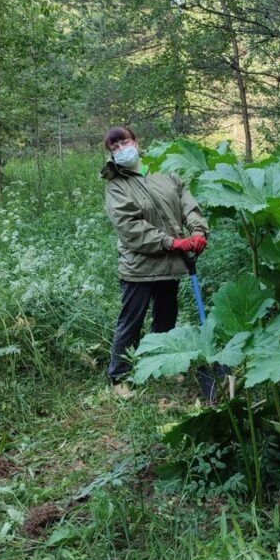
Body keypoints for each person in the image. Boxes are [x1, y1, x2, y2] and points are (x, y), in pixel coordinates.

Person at [101, 126, 209, 398]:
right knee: (131, 322)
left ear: (136, 142)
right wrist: (171, 242)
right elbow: (129, 227)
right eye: (113, 148)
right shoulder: (117, 185)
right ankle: (120, 377)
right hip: (139, 266)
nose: (120, 149)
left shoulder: (166, 174)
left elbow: (188, 205)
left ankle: (164, 364)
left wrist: (197, 232)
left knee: (166, 317)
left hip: (171, 263)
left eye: (123, 142)